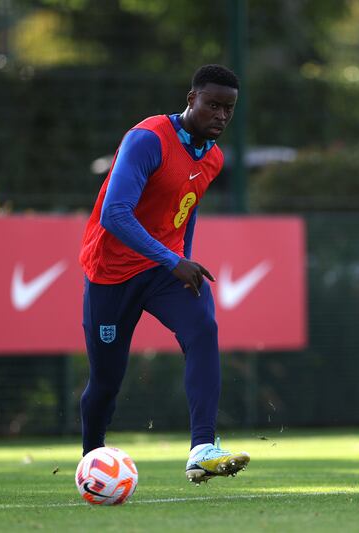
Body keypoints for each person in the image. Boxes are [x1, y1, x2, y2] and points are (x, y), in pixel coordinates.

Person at [78, 64, 249, 485]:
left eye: (228, 109)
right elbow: (116, 214)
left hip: (162, 270)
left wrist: (181, 260)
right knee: (105, 382)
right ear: (191, 99)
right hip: (111, 273)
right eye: (213, 105)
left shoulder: (213, 157)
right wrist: (175, 260)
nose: (221, 116)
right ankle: (91, 461)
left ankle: (202, 449)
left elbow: (184, 212)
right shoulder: (148, 139)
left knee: (203, 329)